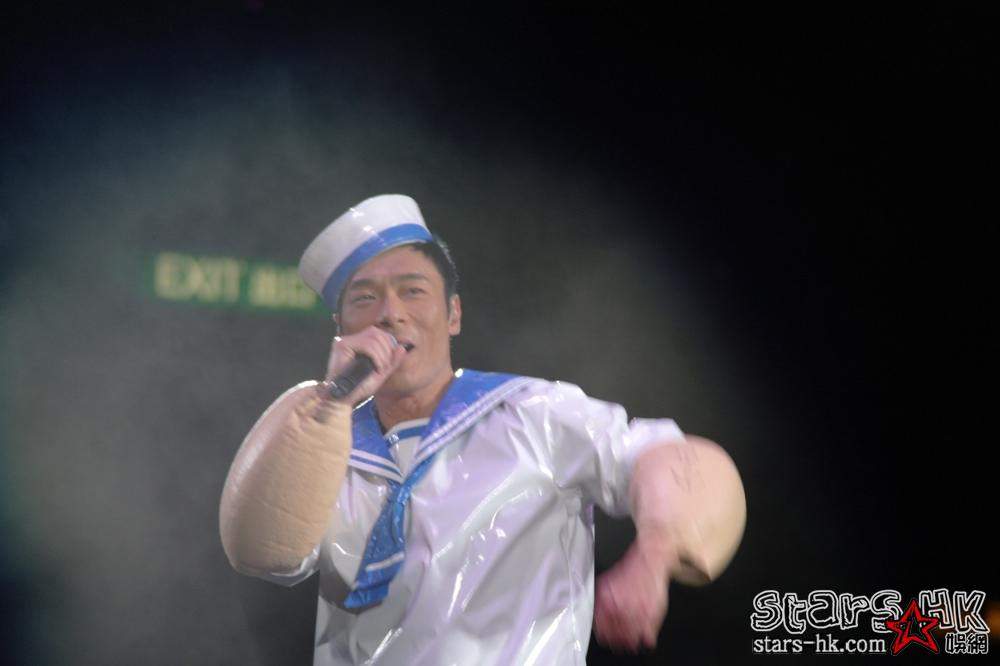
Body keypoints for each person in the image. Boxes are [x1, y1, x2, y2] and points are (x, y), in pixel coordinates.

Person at [219, 194, 746, 665]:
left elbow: (678, 460)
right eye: (364, 299)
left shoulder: (532, 413)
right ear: (341, 329)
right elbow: (263, 551)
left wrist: (652, 559)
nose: (390, 313)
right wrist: (329, 402)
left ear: (453, 314)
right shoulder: (324, 446)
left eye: (413, 291)